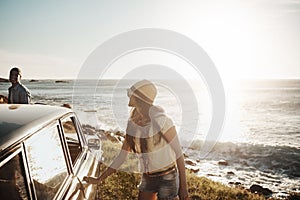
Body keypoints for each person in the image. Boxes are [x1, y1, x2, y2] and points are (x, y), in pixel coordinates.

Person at [84, 80, 188, 200]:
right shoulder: (132, 124)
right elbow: (121, 157)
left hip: (168, 177)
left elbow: (179, 154)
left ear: (139, 98)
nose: (129, 95)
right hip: (147, 177)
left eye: (131, 93)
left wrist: (183, 187)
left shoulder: (162, 121)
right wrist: (99, 179)